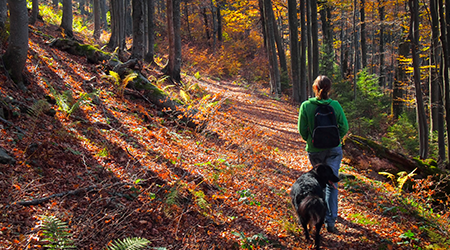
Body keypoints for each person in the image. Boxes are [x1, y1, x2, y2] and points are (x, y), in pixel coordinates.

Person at [297, 75, 349, 233]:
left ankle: (316, 216)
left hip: (315, 151)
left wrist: (311, 141)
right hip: (334, 150)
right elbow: (344, 127)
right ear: (329, 89)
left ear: (315, 88)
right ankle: (330, 221)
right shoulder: (336, 105)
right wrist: (335, 139)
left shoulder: (306, 106)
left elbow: (302, 130)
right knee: (332, 184)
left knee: (320, 183)